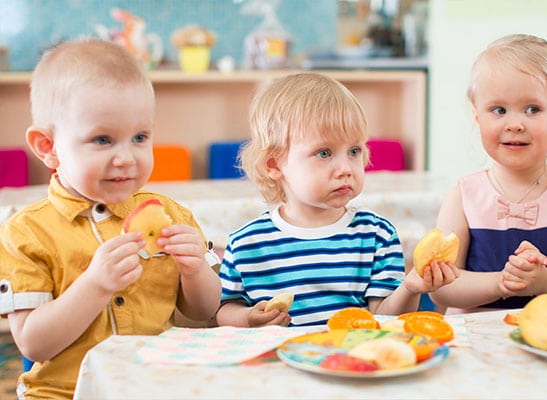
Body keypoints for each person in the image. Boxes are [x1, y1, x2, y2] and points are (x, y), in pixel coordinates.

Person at [0, 39, 222, 399]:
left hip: (157, 385)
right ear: (48, 147)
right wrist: (95, 286)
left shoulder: (171, 214)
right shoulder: (25, 233)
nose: (126, 158)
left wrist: (196, 270)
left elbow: (206, 310)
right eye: (102, 139)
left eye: (139, 137)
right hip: (65, 392)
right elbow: (33, 345)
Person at [215, 72, 459, 327]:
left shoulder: (376, 235)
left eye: (354, 151)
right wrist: (247, 318)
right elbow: (224, 309)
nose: (346, 168)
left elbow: (387, 320)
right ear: (275, 164)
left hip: (352, 360)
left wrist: (410, 288)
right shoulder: (245, 243)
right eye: (324, 153)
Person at [430, 34, 547, 314]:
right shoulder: (463, 196)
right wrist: (503, 282)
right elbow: (441, 289)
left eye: (532, 109)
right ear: (477, 117)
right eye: (499, 110)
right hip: (474, 343)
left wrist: (544, 280)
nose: (515, 124)